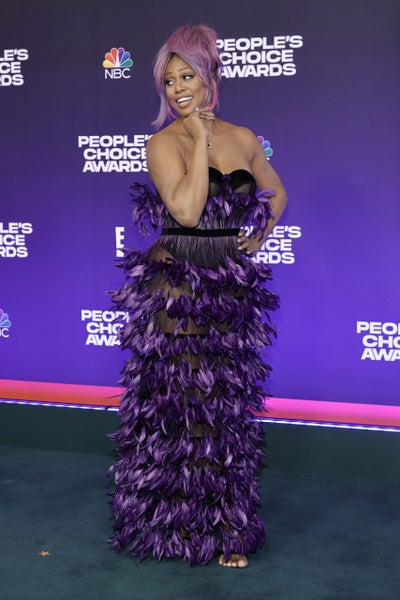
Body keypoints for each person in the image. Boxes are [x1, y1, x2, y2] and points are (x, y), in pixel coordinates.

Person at [109, 24, 287, 568]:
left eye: (187, 76)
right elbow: (186, 212)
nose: (178, 88)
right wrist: (198, 139)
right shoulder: (163, 143)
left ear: (209, 75)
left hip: (227, 287)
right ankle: (178, 525)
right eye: (169, 81)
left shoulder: (244, 136)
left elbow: (276, 193)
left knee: (224, 408)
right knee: (184, 406)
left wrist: (256, 238)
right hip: (178, 287)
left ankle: (228, 523)